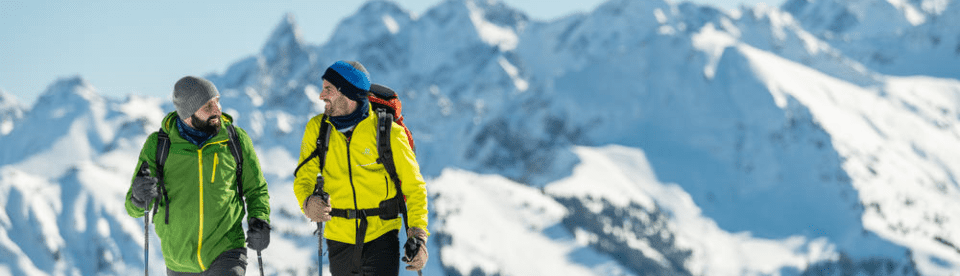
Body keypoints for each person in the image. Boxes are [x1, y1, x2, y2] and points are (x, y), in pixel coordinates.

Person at [125, 76, 272, 276]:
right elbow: (133, 208)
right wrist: (138, 197)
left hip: (227, 250)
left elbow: (256, 189)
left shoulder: (235, 140)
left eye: (217, 101)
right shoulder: (159, 145)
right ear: (187, 113)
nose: (217, 109)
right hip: (178, 259)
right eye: (207, 106)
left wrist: (260, 220)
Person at [293, 61, 429, 275]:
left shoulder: (388, 132)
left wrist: (418, 236)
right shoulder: (317, 130)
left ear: (347, 92)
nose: (321, 96)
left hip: (381, 238)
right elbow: (304, 177)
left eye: (328, 89)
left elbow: (414, 187)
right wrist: (307, 202)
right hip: (338, 240)